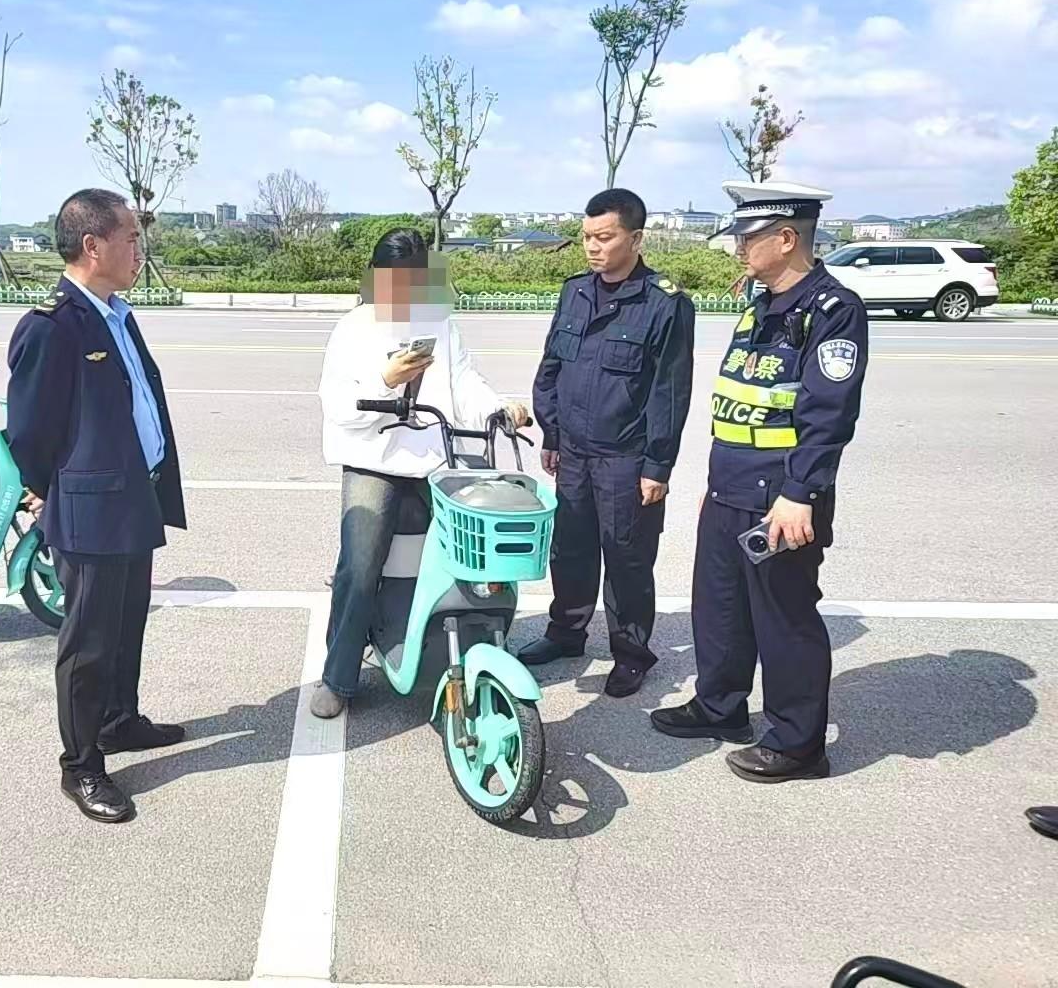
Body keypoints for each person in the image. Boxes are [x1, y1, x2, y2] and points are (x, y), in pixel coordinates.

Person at [651, 180, 867, 783]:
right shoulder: (760, 303)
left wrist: (801, 493)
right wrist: (718, 481)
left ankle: (798, 745)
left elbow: (829, 413)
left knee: (784, 619)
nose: (740, 249)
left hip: (780, 497)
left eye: (749, 239)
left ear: (787, 238)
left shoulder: (832, 309)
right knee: (719, 608)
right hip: (730, 487)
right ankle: (720, 707)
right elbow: (743, 400)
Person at [6, 188, 187, 823]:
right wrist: (54, 491)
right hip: (90, 509)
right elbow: (29, 433)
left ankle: (118, 720)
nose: (140, 250)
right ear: (93, 245)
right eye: (131, 239)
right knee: (88, 641)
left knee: (128, 620)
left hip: (135, 496)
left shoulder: (118, 315)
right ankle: (81, 764)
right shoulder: (53, 327)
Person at [312, 228, 529, 718]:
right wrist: (385, 380)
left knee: (476, 552)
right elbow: (338, 406)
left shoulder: (441, 323)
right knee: (360, 566)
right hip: (375, 462)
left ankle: (472, 648)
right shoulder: (353, 328)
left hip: (436, 461)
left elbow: (465, 382)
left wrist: (498, 408)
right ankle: (338, 676)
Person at [522, 189, 695, 698]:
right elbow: (551, 367)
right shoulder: (575, 292)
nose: (592, 247)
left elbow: (669, 392)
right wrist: (552, 432)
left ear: (635, 239)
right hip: (573, 452)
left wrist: (657, 465)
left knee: (627, 558)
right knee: (569, 548)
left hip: (626, 458)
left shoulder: (664, 304)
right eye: (586, 237)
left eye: (604, 237)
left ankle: (632, 653)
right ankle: (566, 632)